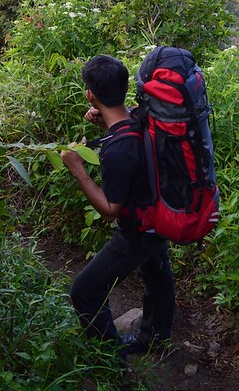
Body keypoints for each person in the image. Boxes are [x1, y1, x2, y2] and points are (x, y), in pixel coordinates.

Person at [60, 54, 175, 359]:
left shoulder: (117, 150)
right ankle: (157, 337)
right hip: (156, 216)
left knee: (84, 291)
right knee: (157, 273)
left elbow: (110, 208)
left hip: (137, 231)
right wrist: (104, 118)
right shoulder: (140, 116)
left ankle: (110, 360)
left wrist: (77, 169)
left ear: (90, 95)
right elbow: (126, 132)